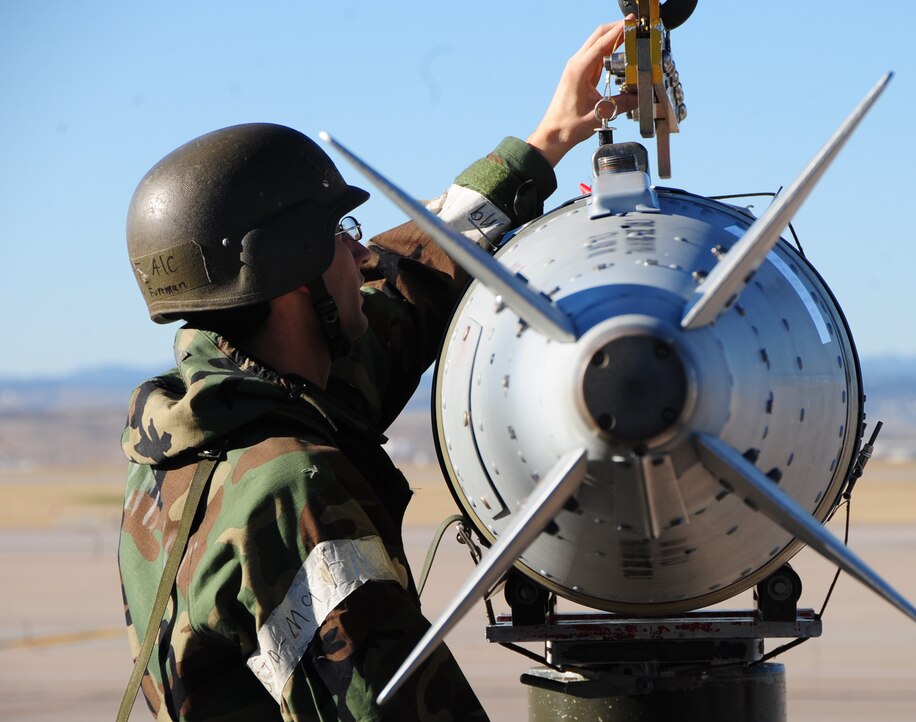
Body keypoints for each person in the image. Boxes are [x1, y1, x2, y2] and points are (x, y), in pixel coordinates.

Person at [117, 20, 635, 722]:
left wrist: (542, 146)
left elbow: (408, 279)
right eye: (342, 238)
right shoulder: (292, 490)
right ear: (292, 275)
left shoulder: (197, 432)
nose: (362, 260)